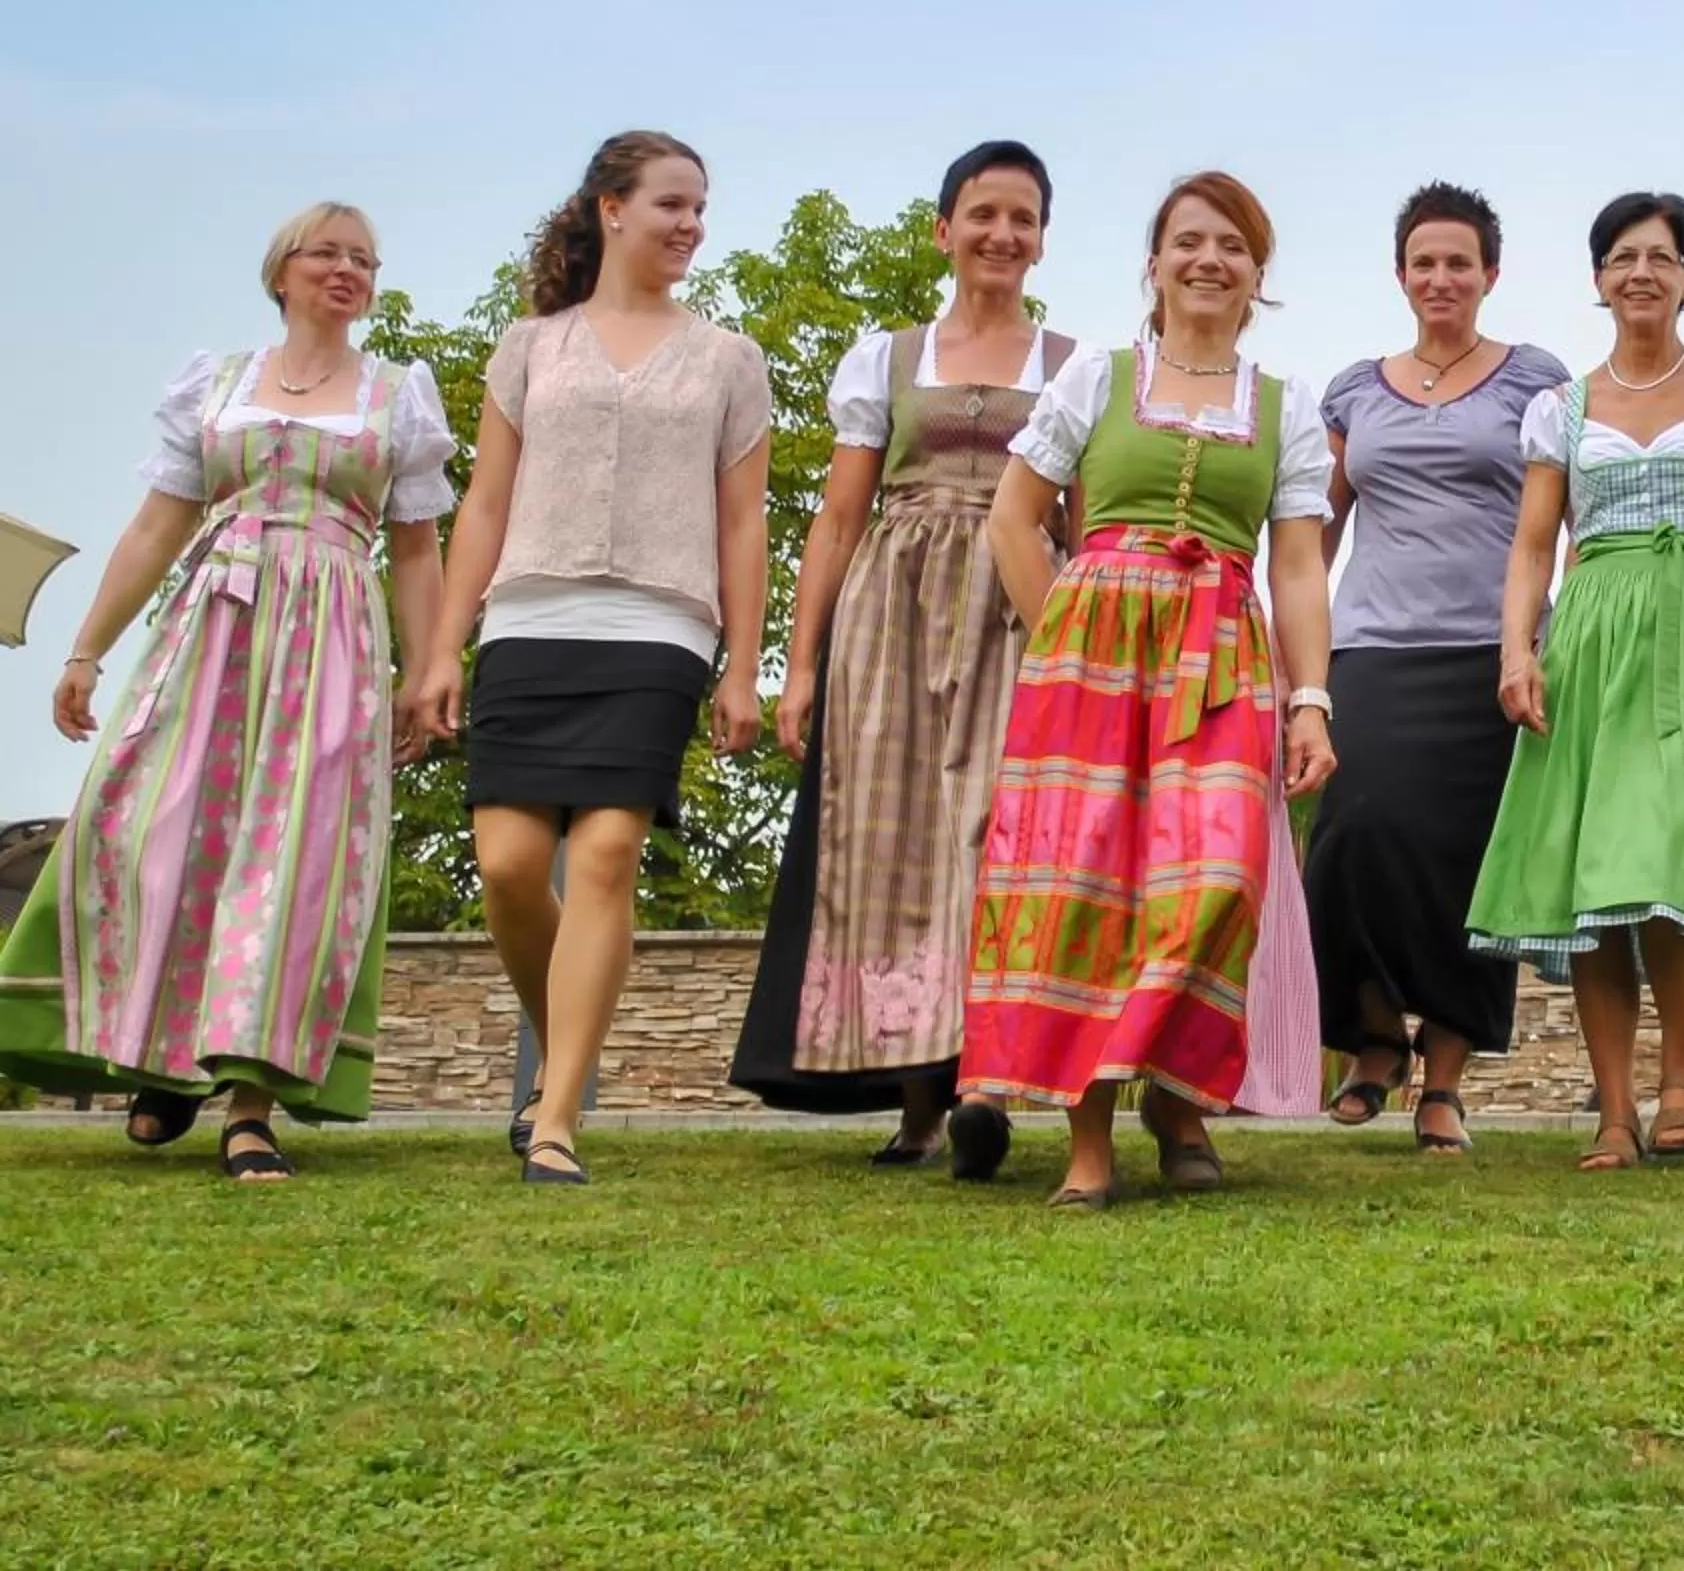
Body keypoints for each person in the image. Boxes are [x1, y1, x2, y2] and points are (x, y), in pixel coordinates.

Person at [0, 205, 451, 1180]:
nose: (348, 269)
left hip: (331, 632)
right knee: (159, 833)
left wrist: (433, 664)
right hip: (215, 626)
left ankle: (251, 1101)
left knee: (297, 857)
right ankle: (166, 1055)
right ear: (282, 270)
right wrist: (85, 650)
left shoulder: (397, 399)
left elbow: (416, 551)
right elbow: (157, 526)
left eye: (365, 260)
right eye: (328, 252)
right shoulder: (218, 386)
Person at [954, 171, 1333, 1208]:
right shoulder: (1098, 379)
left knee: (1216, 877)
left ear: (1259, 276)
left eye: (1234, 247)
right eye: (1189, 241)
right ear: (1154, 262)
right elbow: (1012, 519)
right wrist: (1063, 637)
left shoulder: (1285, 406)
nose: (1210, 260)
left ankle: (1172, 1095)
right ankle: (1091, 1136)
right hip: (1094, 652)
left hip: (1221, 655)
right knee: (1086, 891)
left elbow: (1298, 566)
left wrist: (1312, 700)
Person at [415, 132, 772, 1186]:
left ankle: (558, 1110)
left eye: (700, 208)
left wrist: (744, 666)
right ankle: (570, 1025)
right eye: (670, 203)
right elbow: (483, 503)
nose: (689, 224)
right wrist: (446, 643)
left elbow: (744, 524)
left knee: (608, 855)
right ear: (611, 208)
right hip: (529, 616)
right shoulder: (532, 347)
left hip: (661, 625)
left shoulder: (728, 361)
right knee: (510, 869)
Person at [729, 142, 1076, 1168]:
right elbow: (837, 518)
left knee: (995, 838)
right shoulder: (885, 358)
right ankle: (920, 1097)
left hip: (1015, 607)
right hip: (893, 611)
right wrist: (798, 666)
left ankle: (985, 1083)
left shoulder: (1074, 366)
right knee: (891, 848)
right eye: (983, 214)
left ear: (1043, 238)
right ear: (944, 230)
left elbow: (1084, 520)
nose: (1002, 235)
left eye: (1022, 218)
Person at [1468, 192, 1684, 1172]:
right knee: (1597, 873)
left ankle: (1683, 1072)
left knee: (1667, 864)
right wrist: (1517, 651)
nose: (1642, 273)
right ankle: (1615, 1109)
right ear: (1598, 280)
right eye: (1623, 257)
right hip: (1592, 638)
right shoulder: (1561, 409)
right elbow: (1534, 543)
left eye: (1662, 257)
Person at [1305, 184, 1570, 1156]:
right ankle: (1374, 1036)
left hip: (1490, 655)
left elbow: (1567, 516)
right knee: (1351, 839)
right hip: (1369, 647)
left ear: (1490, 274)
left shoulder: (1534, 380)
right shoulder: (1356, 389)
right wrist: (1298, 658)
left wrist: (1552, 641)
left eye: (1460, 262)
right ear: (1400, 274)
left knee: (1470, 869)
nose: (1442, 278)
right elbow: (1316, 529)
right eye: (1425, 262)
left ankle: (1444, 1086)